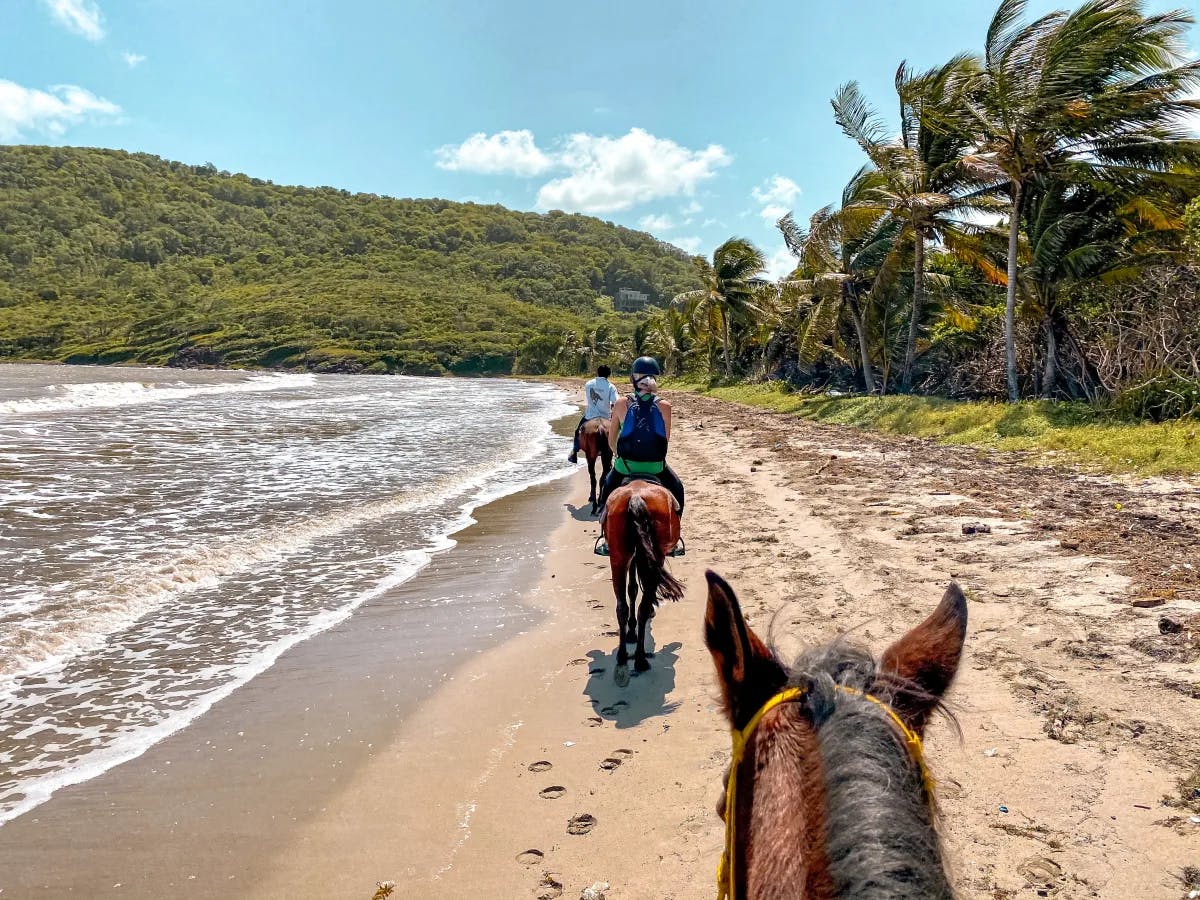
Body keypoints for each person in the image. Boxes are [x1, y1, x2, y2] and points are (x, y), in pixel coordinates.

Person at [595, 356, 684, 554]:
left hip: (624, 466)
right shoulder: (665, 406)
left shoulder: (620, 404)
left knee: (606, 490)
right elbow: (665, 439)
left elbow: (611, 440)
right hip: (656, 466)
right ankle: (675, 539)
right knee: (678, 490)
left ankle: (605, 539)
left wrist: (619, 455)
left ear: (633, 379)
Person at [567, 364, 619, 464]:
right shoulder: (611, 387)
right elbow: (615, 402)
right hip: (605, 417)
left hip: (590, 416)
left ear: (597, 373)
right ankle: (618, 453)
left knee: (577, 431)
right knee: (618, 434)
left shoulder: (588, 384)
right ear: (609, 374)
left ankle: (574, 452)